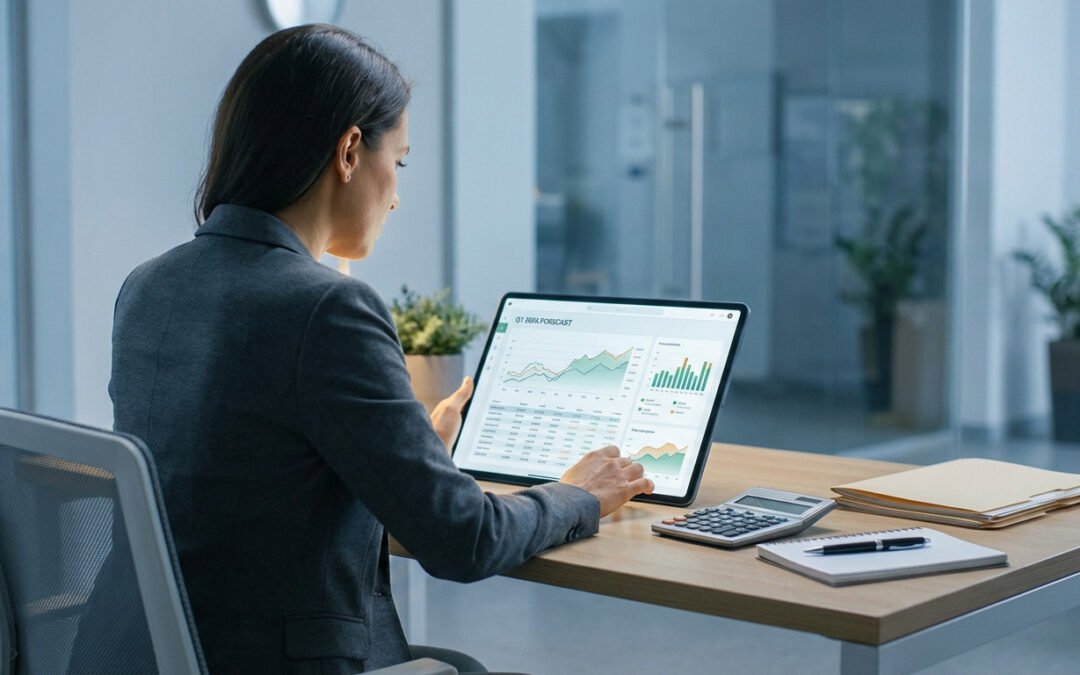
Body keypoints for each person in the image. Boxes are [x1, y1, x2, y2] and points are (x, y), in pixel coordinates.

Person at [103, 24, 653, 674]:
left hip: (152, 653)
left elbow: (243, 470)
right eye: (401, 160)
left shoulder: (147, 286)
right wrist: (575, 493)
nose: (397, 193)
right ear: (349, 151)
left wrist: (407, 443)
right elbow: (462, 540)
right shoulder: (327, 308)